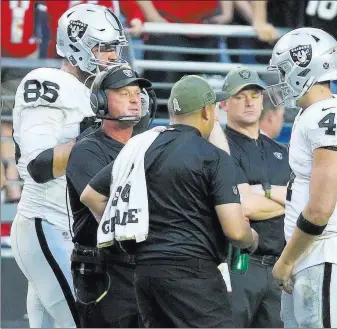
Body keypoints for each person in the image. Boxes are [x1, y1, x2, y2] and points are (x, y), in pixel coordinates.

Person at [80, 75, 259, 328]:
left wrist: (126, 230)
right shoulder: (213, 156)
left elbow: (91, 195)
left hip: (145, 274)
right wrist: (251, 238)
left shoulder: (139, 148)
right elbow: (235, 230)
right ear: (207, 112)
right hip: (192, 273)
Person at [9, 4, 128, 328]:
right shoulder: (49, 81)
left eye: (114, 47)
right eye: (102, 47)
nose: (111, 56)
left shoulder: (101, 93)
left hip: (79, 234)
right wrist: (102, 136)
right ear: (75, 46)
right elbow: (39, 164)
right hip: (46, 224)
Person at [268, 27, 337, 328]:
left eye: (284, 70)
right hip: (311, 251)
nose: (279, 79)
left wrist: (286, 259)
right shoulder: (315, 112)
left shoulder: (328, 115)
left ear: (303, 68)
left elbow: (321, 207)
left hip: (323, 249)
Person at [65, 65, 152, 327]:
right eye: (123, 93)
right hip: (105, 270)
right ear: (100, 100)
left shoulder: (148, 145)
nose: (135, 99)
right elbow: (112, 208)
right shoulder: (86, 150)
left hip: (144, 267)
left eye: (137, 93)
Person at [220, 66, 290, 328]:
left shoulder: (280, 151)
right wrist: (285, 199)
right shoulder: (219, 146)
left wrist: (264, 192)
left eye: (255, 95)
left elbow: (301, 203)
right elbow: (245, 205)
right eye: (240, 96)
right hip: (237, 265)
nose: (249, 102)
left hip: (277, 265)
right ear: (224, 104)